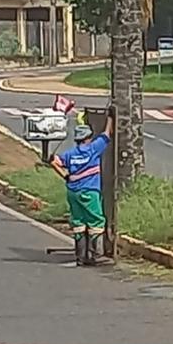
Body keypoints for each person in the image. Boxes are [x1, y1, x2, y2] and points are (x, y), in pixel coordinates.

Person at [51, 111, 113, 266]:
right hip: (89, 192)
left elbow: (54, 161)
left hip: (73, 192)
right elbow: (107, 134)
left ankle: (80, 256)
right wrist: (111, 118)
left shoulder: (70, 154)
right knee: (96, 222)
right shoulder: (93, 149)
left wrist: (66, 176)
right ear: (88, 138)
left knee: (78, 223)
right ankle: (94, 255)